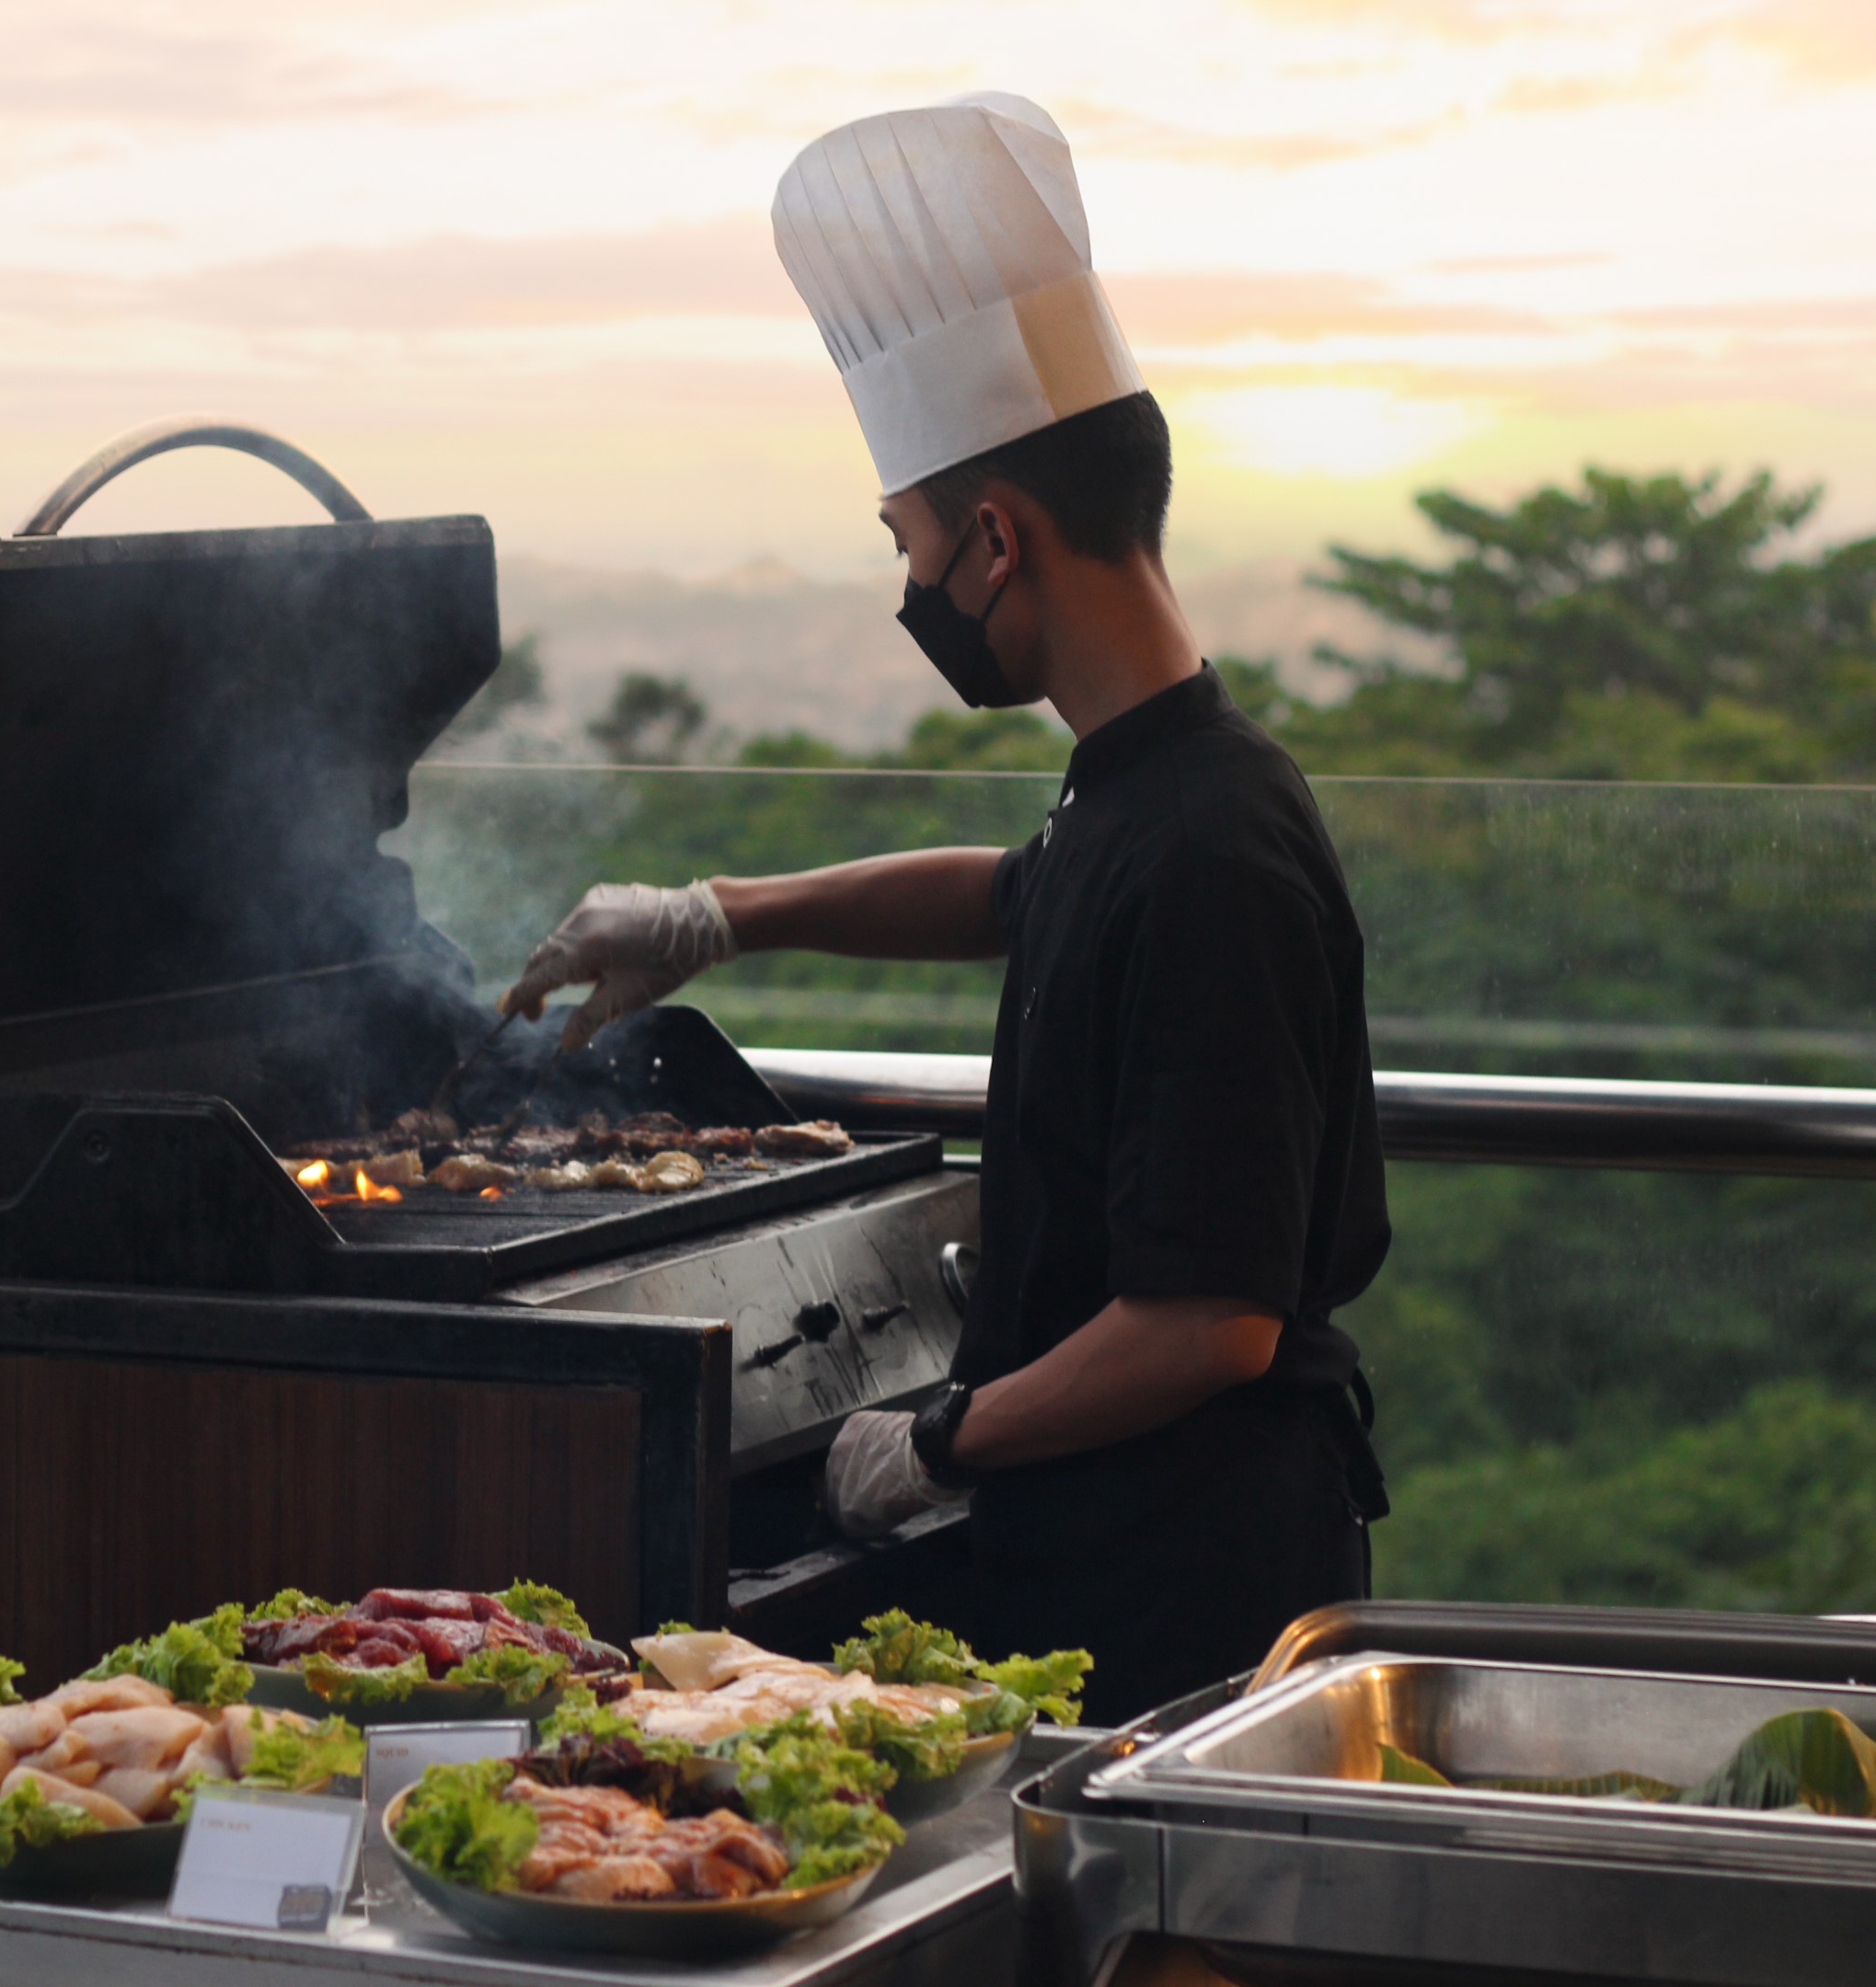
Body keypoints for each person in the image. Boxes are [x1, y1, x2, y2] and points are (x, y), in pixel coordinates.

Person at [499, 95, 1391, 1726]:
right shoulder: (1144, 784)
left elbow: (1209, 1325)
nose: (910, 588)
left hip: (1190, 1586)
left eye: (909, 545)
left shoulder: (1216, 849)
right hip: (1110, 1540)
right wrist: (713, 915)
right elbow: (1013, 897)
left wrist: (928, 1441)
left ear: (995, 539)